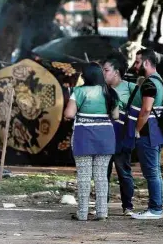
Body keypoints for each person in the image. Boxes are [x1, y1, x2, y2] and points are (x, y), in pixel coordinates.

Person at [64, 62, 119, 221]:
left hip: (83, 136)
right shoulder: (110, 92)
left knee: (84, 176)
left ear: (85, 76)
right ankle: (102, 212)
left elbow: (69, 113)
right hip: (105, 136)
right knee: (102, 176)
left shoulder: (79, 91)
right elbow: (115, 116)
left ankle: (82, 213)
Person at [128, 48, 163, 220]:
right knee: (154, 171)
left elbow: (146, 110)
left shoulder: (150, 83)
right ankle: (155, 208)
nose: (135, 66)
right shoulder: (158, 81)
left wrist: (136, 129)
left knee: (151, 172)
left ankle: (155, 209)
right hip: (155, 133)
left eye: (137, 62)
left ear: (145, 63)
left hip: (148, 133)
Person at [102, 52, 137, 216]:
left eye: (106, 70)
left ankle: (128, 206)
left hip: (122, 136)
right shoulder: (100, 89)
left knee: (124, 172)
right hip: (104, 137)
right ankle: (103, 206)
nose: (103, 73)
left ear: (116, 72)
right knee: (103, 173)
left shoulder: (131, 88)